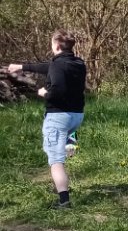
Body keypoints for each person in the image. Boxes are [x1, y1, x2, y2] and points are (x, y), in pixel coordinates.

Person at [6, 30, 87, 209]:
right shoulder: (78, 63)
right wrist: (21, 66)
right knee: (64, 142)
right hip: (76, 116)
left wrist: (44, 93)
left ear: (56, 45)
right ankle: (69, 145)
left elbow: (57, 90)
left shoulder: (58, 65)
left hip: (58, 117)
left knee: (55, 160)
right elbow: (48, 67)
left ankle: (64, 200)